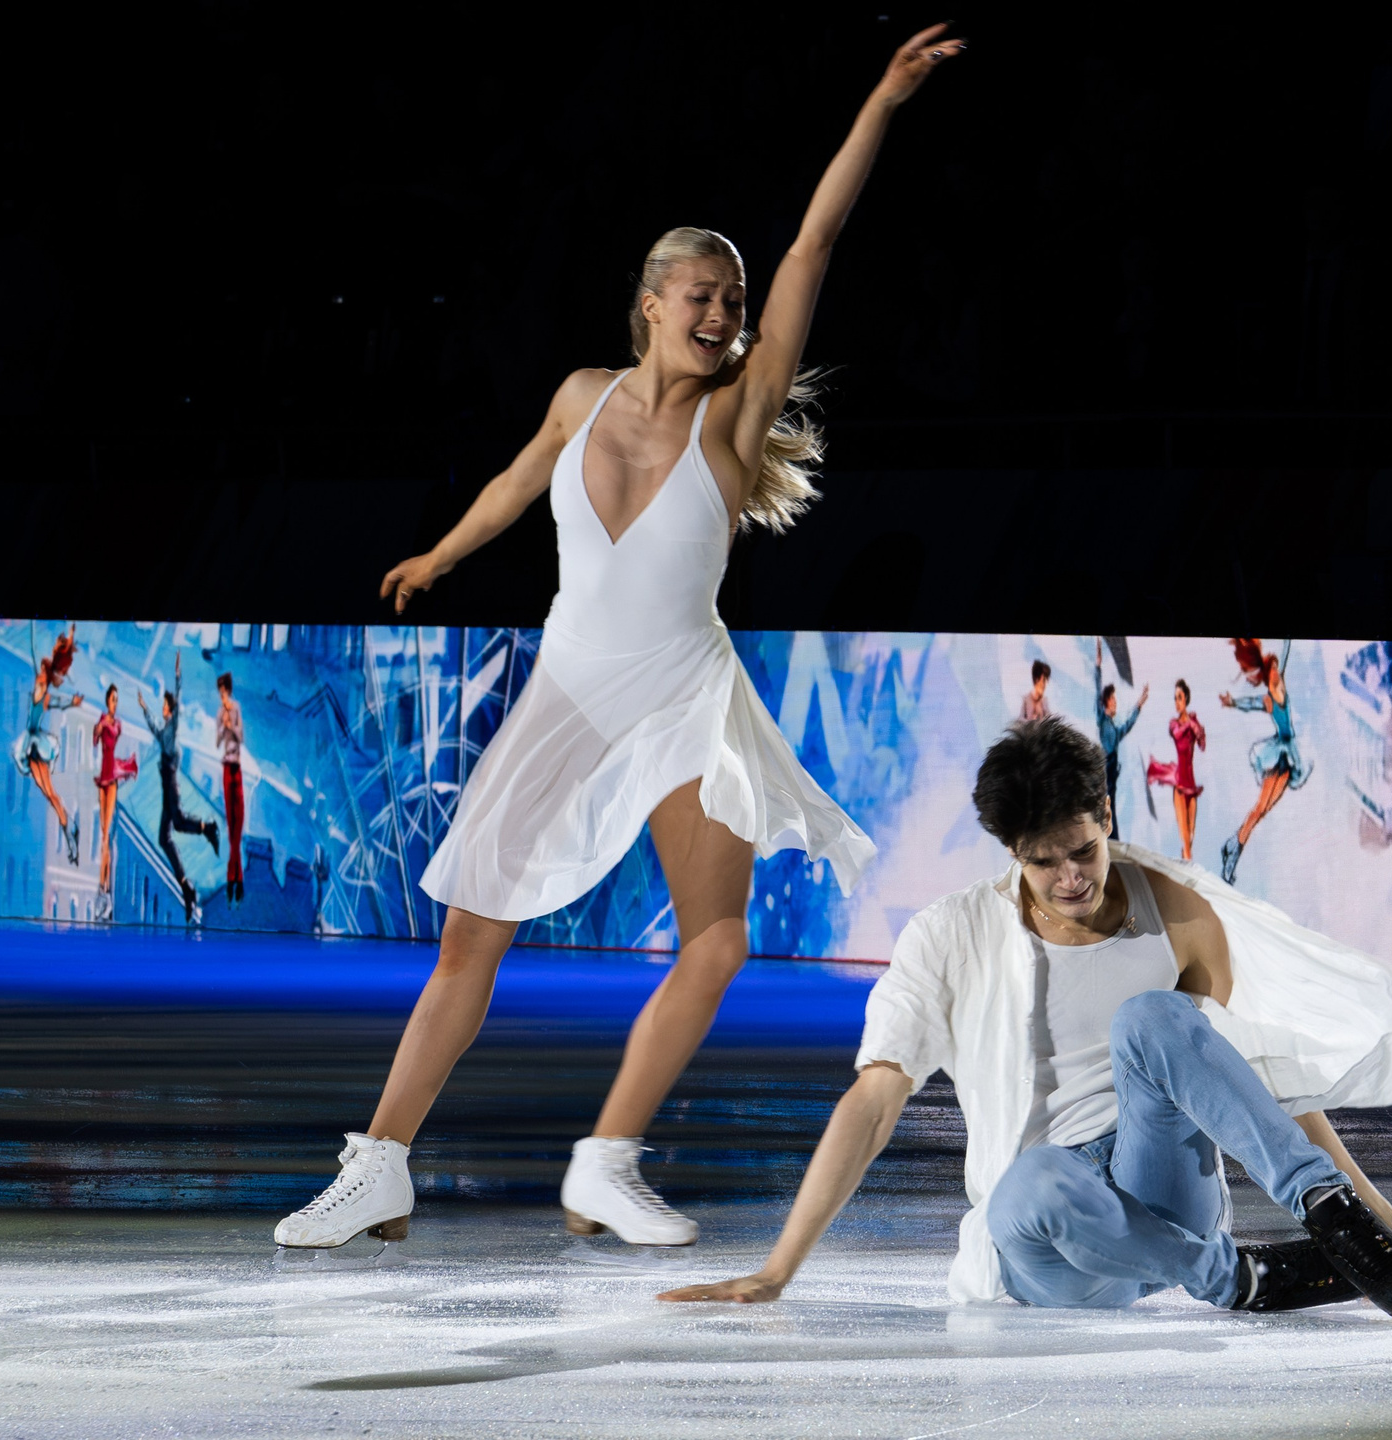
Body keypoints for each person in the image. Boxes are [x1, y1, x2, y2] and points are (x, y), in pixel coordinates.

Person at [272, 27, 961, 1252]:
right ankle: (377, 1165)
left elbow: (813, 244)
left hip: (686, 693)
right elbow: (515, 479)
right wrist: (439, 553)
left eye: (734, 304)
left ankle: (607, 1160)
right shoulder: (580, 396)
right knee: (467, 944)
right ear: (651, 305)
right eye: (704, 297)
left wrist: (882, 102)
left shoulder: (738, 418)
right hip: (572, 696)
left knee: (718, 940)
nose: (724, 314)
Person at [658, 717, 1392, 1314]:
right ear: (1011, 852)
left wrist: (1376, 1214)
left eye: (1083, 851)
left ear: (1108, 820)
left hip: (1161, 1185)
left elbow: (1247, 1078)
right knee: (1030, 1181)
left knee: (1153, 1020)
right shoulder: (950, 935)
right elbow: (874, 1101)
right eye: (1042, 861)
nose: (1068, 878)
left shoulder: (1179, 914)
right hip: (1051, 1242)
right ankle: (1245, 1282)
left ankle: (1331, 1227)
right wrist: (777, 1270)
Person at [1218, 638, 1307, 885]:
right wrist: (1233, 702)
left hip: (1287, 755)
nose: (1246, 679)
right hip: (1279, 754)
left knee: (1263, 810)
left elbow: (1282, 657)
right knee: (1259, 809)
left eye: (1247, 673)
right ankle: (1231, 857)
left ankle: (1231, 843)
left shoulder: (1276, 686)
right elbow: (1254, 703)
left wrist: (1279, 656)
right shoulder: (1270, 695)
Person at [138, 662, 222, 922]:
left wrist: (177, 677)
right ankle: (187, 888)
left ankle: (208, 828)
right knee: (164, 838)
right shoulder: (164, 731)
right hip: (167, 786)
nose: (162, 709)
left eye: (165, 706)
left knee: (180, 822)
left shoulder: (172, 729)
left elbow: (176, 703)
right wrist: (143, 708)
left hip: (171, 784)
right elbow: (154, 726)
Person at [16, 630, 83, 864]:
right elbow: (54, 700)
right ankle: (70, 829)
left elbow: (55, 702)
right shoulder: (41, 688)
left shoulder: (42, 691)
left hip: (35, 747)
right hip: (33, 745)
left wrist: (71, 702)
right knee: (50, 793)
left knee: (51, 793)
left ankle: (70, 833)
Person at [1145, 680, 1208, 861]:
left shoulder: (1192, 722)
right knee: (1186, 845)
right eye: (1175, 698)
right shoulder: (1175, 724)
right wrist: (1191, 724)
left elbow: (1202, 745)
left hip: (1192, 787)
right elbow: (1178, 734)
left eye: (1180, 698)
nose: (1177, 702)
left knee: (1191, 838)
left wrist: (1200, 731)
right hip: (1180, 786)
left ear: (1186, 699)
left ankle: (1184, 866)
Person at [1092, 642, 1147, 840]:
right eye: (1113, 699)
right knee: (1106, 805)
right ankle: (1107, 839)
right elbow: (1096, 690)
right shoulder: (1102, 718)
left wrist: (1139, 704)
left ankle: (1112, 839)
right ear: (1106, 703)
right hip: (1106, 767)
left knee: (1111, 805)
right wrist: (1098, 666)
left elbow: (1128, 725)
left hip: (1112, 769)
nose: (1115, 702)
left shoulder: (1115, 728)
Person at [90, 682, 138, 900]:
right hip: (103, 778)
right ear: (107, 700)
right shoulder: (102, 720)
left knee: (107, 834)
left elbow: (112, 733)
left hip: (111, 780)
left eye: (117, 700)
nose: (115, 704)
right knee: (103, 836)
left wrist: (102, 726)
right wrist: (98, 727)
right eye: (112, 700)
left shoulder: (116, 724)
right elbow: (95, 739)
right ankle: (104, 885)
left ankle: (104, 887)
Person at [215, 672, 245, 905]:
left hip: (237, 767)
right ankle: (236, 880)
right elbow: (217, 742)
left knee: (238, 825)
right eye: (219, 692)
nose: (221, 696)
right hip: (226, 766)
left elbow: (240, 737)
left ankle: (232, 878)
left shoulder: (235, 710)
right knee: (231, 826)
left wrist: (230, 725)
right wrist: (221, 728)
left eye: (223, 691)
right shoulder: (220, 712)